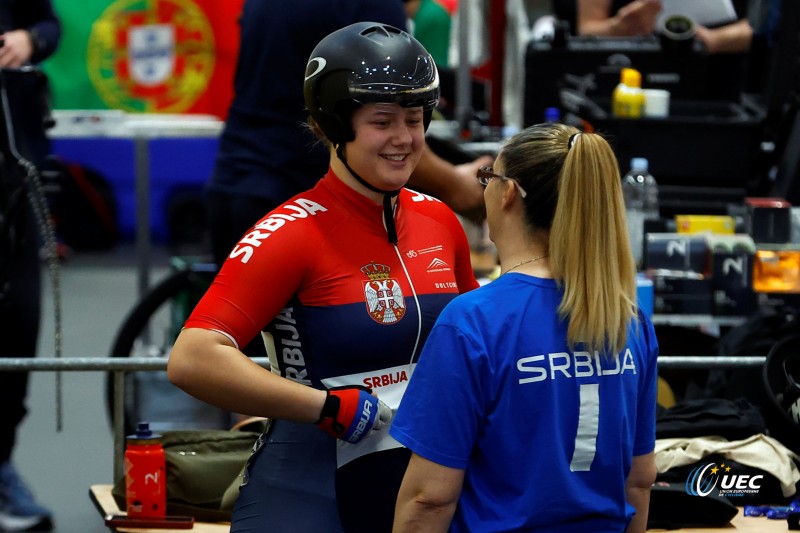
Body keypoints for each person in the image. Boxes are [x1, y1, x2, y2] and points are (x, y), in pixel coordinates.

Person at [168, 22, 479, 533]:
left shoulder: (440, 221)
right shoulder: (291, 233)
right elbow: (192, 359)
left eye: (415, 119)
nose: (403, 139)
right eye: (382, 121)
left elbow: (472, 346)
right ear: (333, 126)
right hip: (311, 484)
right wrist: (323, 406)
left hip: (424, 487)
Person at [391, 123, 659, 532]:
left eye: (489, 178)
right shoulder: (629, 321)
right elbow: (638, 483)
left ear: (509, 193)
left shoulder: (474, 321)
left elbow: (429, 498)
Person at [206, 0, 490, 270]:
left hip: (231, 185)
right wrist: (455, 185)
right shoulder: (372, 7)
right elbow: (392, 130)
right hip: (298, 202)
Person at [0, 1, 60, 532]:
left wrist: (27, 39)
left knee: (19, 330)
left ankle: (1, 464)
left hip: (16, 189)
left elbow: (50, 25)